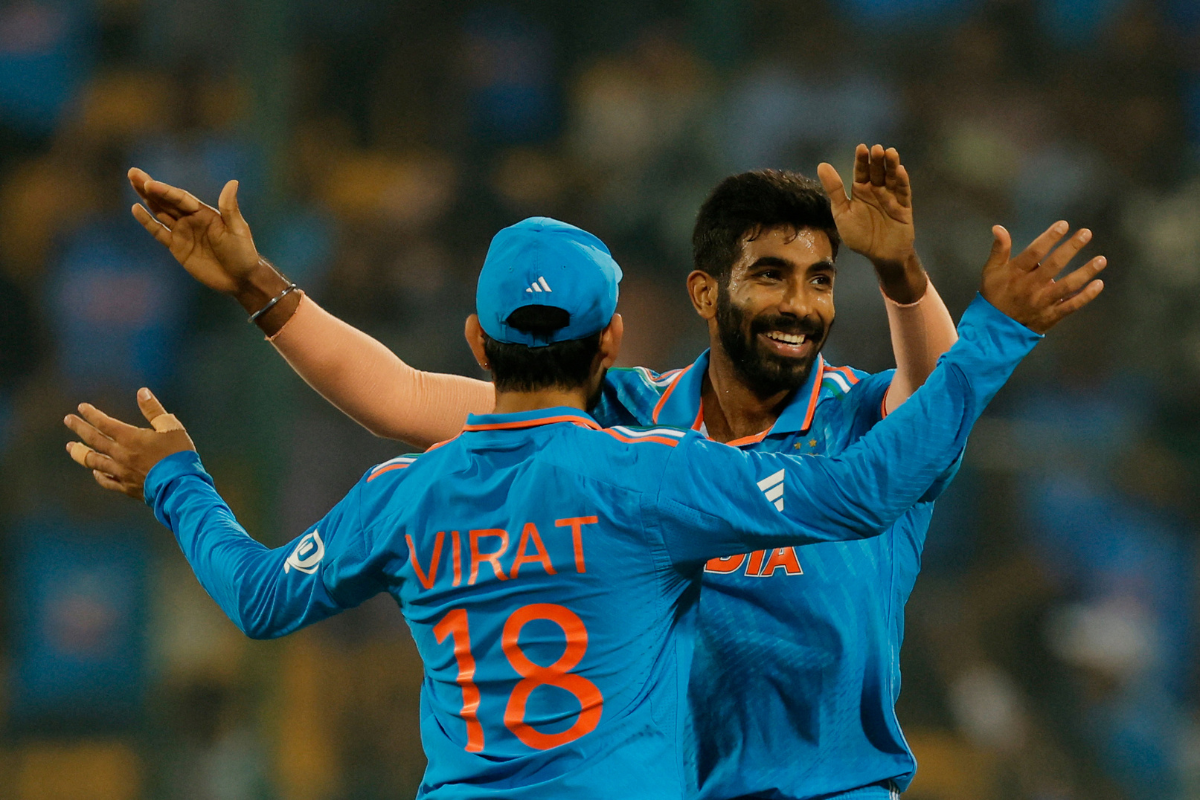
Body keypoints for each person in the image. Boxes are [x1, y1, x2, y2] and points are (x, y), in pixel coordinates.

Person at [122, 147, 1105, 799]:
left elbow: (929, 413)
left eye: (818, 278)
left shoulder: (855, 409)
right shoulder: (629, 427)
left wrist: (906, 278)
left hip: (829, 787)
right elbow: (398, 394)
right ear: (702, 292)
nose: (799, 303)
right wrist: (261, 288)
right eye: (770, 275)